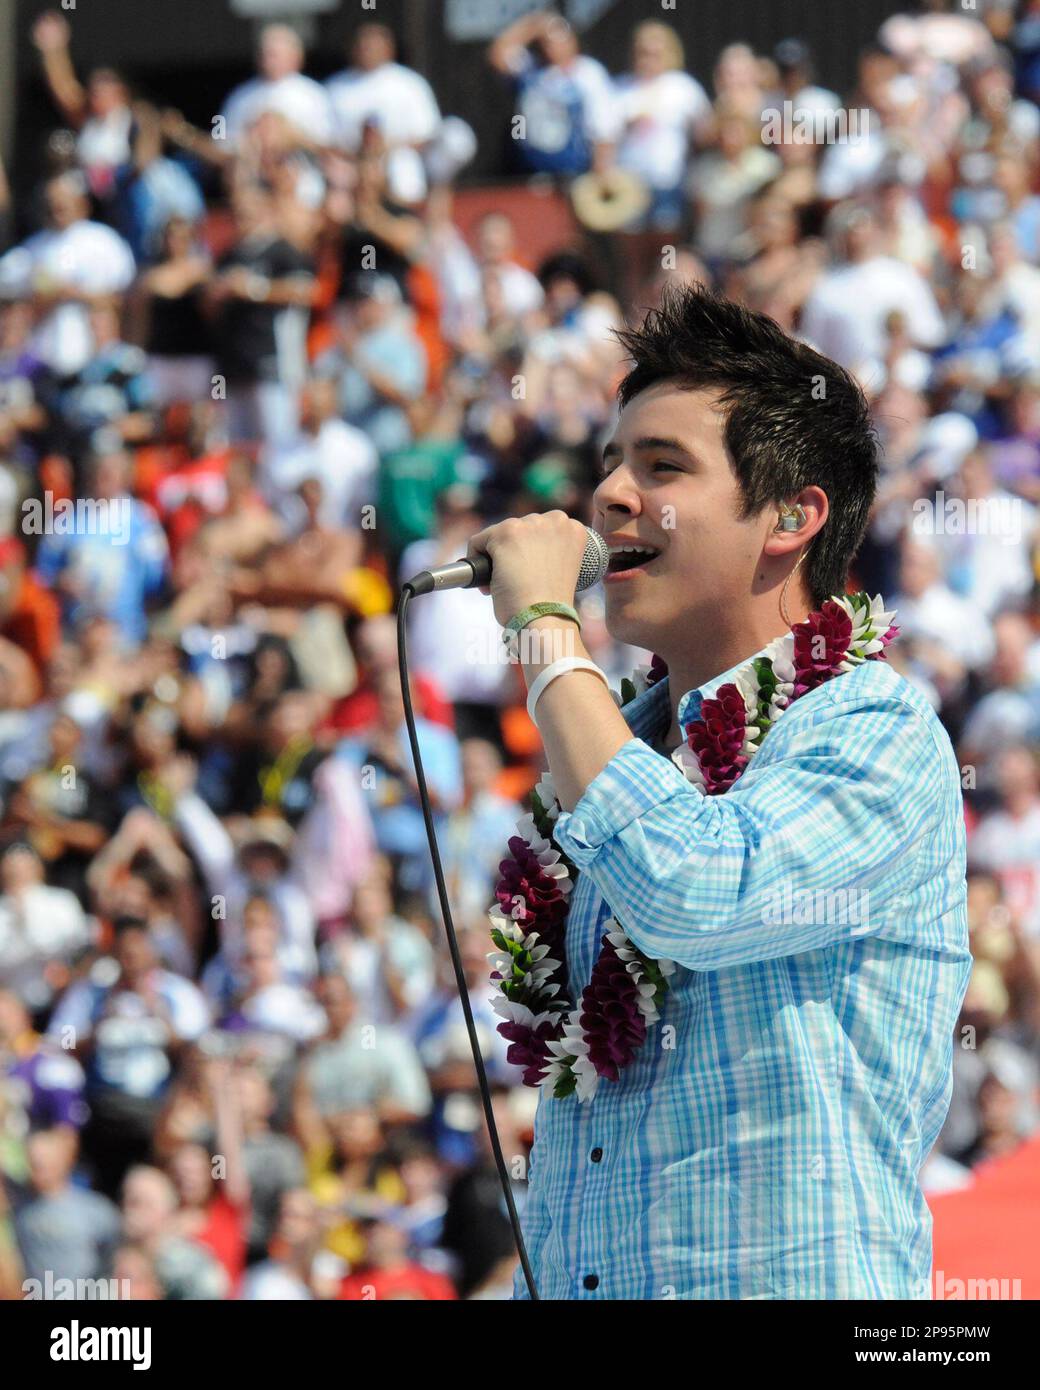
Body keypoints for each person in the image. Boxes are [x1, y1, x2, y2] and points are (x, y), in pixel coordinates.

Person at [464, 285, 971, 1299]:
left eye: (660, 467)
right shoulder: (616, 761)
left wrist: (545, 633)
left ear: (790, 515)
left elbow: (695, 889)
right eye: (608, 462)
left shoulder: (873, 728)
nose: (606, 497)